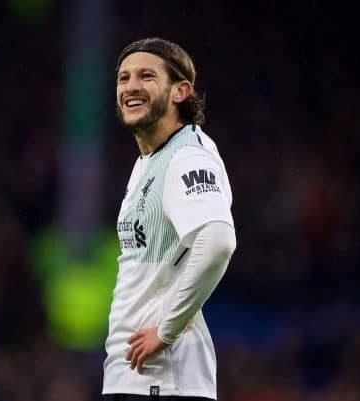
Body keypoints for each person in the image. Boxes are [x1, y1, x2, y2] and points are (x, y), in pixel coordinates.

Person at [102, 38, 237, 401]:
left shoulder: (187, 156)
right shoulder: (147, 161)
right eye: (123, 78)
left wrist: (167, 330)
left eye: (146, 76)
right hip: (133, 376)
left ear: (180, 91)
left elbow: (218, 242)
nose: (130, 86)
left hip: (165, 379)